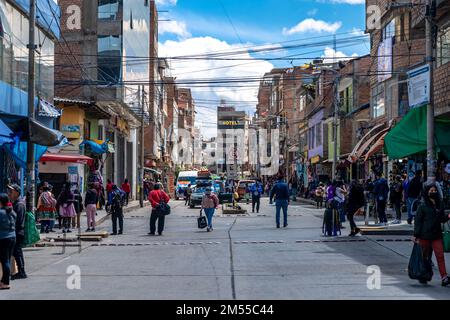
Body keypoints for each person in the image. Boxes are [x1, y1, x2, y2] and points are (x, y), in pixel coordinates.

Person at [413, 184, 450, 286]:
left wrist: (448, 216)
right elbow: (418, 221)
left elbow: (442, 219)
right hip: (424, 236)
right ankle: (424, 275)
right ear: (427, 192)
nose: (433, 192)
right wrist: (416, 235)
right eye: (431, 190)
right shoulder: (423, 206)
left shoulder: (439, 204)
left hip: (436, 235)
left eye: (435, 190)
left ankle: (444, 277)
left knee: (440, 256)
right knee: (425, 257)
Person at [6, 184, 27, 280]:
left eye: (11, 191)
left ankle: (22, 272)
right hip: (15, 231)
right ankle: (20, 271)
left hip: (17, 232)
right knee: (16, 252)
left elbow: (17, 221)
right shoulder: (15, 203)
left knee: (17, 252)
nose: (9, 193)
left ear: (17, 193)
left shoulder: (19, 204)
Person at [0, 194, 16, 290]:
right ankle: (3, 281)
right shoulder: (11, 211)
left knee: (4, 260)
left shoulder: (1, 212)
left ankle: (5, 282)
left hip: (3, 238)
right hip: (12, 237)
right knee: (6, 260)